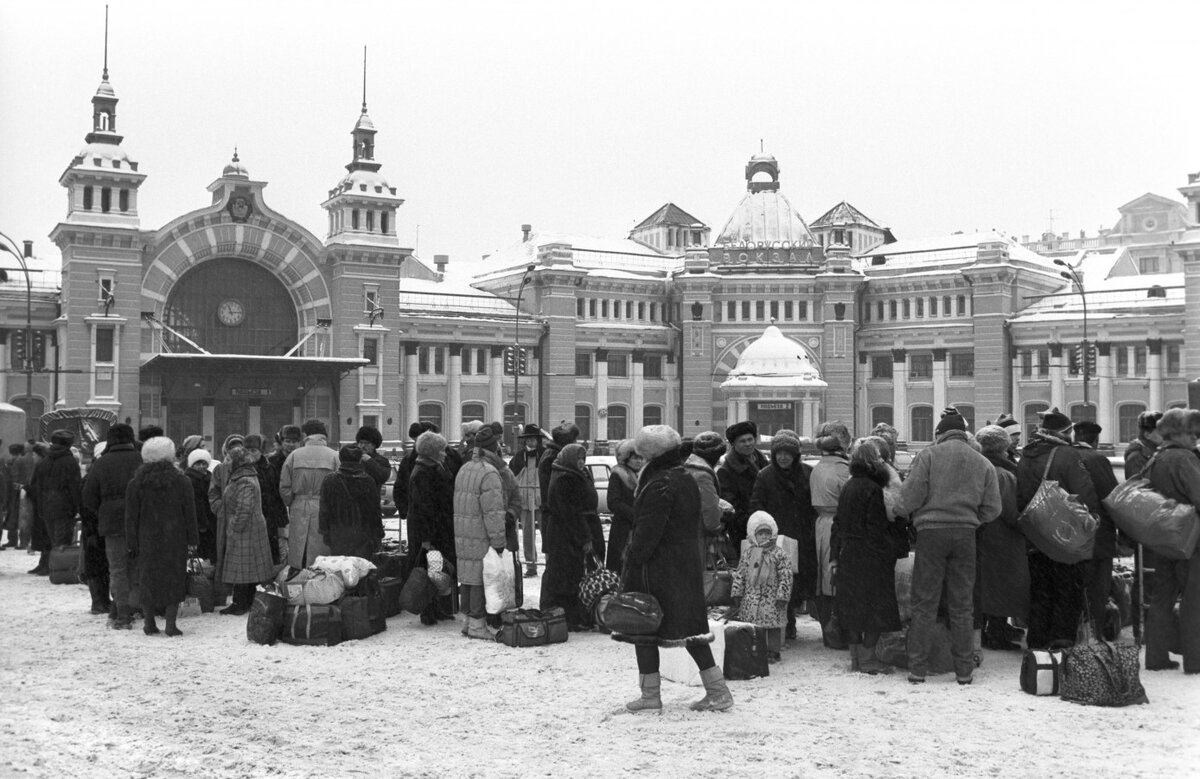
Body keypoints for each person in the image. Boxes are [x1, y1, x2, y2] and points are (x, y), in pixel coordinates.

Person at [615, 425, 731, 714]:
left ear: (650, 454)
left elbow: (647, 532)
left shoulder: (659, 483)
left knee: (644, 626)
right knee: (692, 631)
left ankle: (650, 695)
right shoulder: (683, 477)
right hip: (682, 565)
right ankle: (718, 690)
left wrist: (631, 558)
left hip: (656, 570)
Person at [897, 408, 1001, 685]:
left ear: (940, 434)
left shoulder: (928, 456)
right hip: (965, 535)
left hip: (931, 534)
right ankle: (964, 671)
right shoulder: (982, 462)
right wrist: (972, 520)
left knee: (924, 603)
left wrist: (903, 510)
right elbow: (993, 508)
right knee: (962, 605)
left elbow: (909, 498)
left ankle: (917, 668)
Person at [1015, 407, 1100, 650]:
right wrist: (1092, 520)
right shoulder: (1067, 455)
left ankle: (1037, 644)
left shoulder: (1026, 455)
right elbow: (1084, 494)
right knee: (1066, 592)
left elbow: (1019, 496)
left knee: (1040, 591)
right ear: (1065, 432)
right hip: (1064, 535)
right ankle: (1061, 644)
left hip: (1035, 534)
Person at [832, 439, 902, 674]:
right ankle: (868, 658)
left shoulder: (849, 486)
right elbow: (876, 528)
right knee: (876, 609)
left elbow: (839, 522)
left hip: (849, 553)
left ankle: (855, 658)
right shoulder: (873, 488)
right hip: (871, 556)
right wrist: (889, 549)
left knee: (852, 608)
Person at [1142, 408, 1200, 673]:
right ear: (1177, 433)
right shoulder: (1184, 458)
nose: (1195, 438)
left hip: (1164, 538)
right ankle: (1195, 659)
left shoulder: (1156, 458)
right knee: (1194, 600)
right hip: (1191, 538)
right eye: (1191, 433)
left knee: (1161, 599)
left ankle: (1156, 656)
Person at [124, 437, 197, 636]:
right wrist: (193, 540)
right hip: (175, 538)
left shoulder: (136, 483)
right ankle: (171, 625)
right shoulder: (181, 481)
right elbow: (189, 513)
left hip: (146, 539)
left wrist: (131, 542)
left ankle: (149, 623)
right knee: (174, 579)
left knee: (147, 578)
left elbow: (131, 517)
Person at [749, 430, 815, 641]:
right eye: (779, 453)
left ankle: (791, 617)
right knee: (777, 581)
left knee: (797, 580)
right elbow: (757, 505)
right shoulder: (765, 475)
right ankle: (784, 623)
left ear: (795, 454)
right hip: (776, 539)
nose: (783, 457)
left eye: (788, 453)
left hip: (802, 536)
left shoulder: (807, 473)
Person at [973, 425, 1028, 651]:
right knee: (1000, 585)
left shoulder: (978, 466)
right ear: (1002, 447)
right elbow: (1011, 511)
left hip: (984, 534)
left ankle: (989, 628)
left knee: (985, 584)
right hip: (1001, 537)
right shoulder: (1003, 474)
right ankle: (996, 631)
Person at [81, 423, 142, 627]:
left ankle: (122, 614)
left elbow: (88, 497)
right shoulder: (141, 460)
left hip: (112, 524)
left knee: (117, 569)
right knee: (135, 567)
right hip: (140, 521)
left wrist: (104, 510)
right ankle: (135, 607)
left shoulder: (102, 462)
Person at [453, 427, 508, 640]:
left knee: (467, 577)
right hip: (481, 533)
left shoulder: (465, 468)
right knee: (478, 578)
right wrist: (498, 540)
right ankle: (477, 624)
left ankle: (467, 621)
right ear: (494, 447)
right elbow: (493, 512)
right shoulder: (489, 473)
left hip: (464, 531)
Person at [542, 443, 601, 629]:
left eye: (583, 458)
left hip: (573, 531)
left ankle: (575, 616)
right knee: (566, 575)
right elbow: (569, 513)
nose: (582, 462)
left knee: (574, 574)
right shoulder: (564, 479)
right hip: (565, 535)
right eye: (578, 459)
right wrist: (584, 537)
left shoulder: (576, 474)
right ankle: (567, 617)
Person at [1073, 420, 1120, 641]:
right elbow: (1112, 499)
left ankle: (1075, 633)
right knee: (1097, 590)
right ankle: (1095, 635)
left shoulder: (1061, 456)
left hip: (1069, 534)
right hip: (1098, 535)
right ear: (1096, 440)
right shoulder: (1097, 459)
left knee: (1075, 587)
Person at [215, 444, 275, 616]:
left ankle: (240, 603)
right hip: (249, 527)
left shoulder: (244, 480)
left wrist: (234, 527)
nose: (225, 462)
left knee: (242, 567)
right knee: (247, 567)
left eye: (228, 459)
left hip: (246, 529)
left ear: (236, 462)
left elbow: (244, 508)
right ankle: (245, 601)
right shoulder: (243, 476)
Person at [407, 430, 457, 626]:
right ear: (432, 452)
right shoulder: (424, 472)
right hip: (430, 531)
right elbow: (423, 508)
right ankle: (428, 610)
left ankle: (438, 607)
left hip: (438, 528)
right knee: (431, 570)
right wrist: (426, 538)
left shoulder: (432, 467)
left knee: (438, 570)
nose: (445, 454)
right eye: (442, 450)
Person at [810, 420, 852, 646]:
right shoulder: (843, 470)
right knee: (835, 577)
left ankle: (827, 629)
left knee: (823, 577)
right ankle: (839, 631)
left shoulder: (818, 467)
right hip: (838, 525)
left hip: (820, 524)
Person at [732, 511, 793, 663]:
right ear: (754, 535)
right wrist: (737, 592)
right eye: (761, 534)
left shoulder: (779, 554)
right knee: (755, 627)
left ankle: (773, 651)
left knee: (773, 627)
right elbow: (740, 573)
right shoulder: (748, 554)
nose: (765, 537)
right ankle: (757, 649)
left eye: (768, 533)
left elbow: (786, 575)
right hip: (751, 598)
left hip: (772, 598)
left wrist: (782, 595)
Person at [279, 419, 339, 569]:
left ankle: (298, 578)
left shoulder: (294, 455)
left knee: (299, 547)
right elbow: (339, 487)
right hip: (324, 507)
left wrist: (293, 502)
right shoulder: (334, 456)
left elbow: (284, 486)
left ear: (306, 435)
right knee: (321, 549)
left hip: (299, 505)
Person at [26, 429, 82, 576]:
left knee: (52, 538)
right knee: (62, 541)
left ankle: (52, 566)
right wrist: (78, 506)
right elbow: (75, 487)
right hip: (65, 507)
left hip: (46, 506)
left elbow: (38, 486)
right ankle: (60, 570)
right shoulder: (70, 462)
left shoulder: (45, 461)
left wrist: (41, 506)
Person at [319, 444, 384, 559]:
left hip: (338, 532)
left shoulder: (329, 480)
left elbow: (324, 509)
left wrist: (325, 531)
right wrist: (378, 534)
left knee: (341, 568)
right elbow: (375, 510)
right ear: (360, 460)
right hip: (363, 533)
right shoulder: (368, 481)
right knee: (361, 569)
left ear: (340, 459)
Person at [717, 420, 767, 560]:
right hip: (745, 531)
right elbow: (731, 506)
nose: (748, 443)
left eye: (750, 439)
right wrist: (751, 524)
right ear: (733, 445)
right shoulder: (726, 471)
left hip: (769, 527)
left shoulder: (764, 462)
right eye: (742, 441)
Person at [508, 424, 546, 578]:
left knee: (547, 535)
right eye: (528, 439)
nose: (531, 442)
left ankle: (550, 564)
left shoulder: (544, 455)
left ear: (538, 440)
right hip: (525, 500)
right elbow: (511, 476)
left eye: (533, 439)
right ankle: (531, 565)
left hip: (541, 501)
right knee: (528, 536)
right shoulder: (519, 457)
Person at [606, 439, 642, 574]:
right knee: (620, 567)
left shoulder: (643, 475)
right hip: (622, 529)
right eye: (635, 458)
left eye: (640, 458)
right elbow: (613, 502)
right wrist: (634, 515)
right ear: (626, 459)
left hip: (639, 528)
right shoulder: (618, 475)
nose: (638, 461)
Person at [393, 421, 438, 526]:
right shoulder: (408, 460)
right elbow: (400, 487)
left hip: (437, 516)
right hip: (415, 515)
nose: (417, 443)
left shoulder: (444, 459)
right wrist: (404, 509)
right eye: (415, 440)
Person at [184, 449, 218, 562]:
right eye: (198, 463)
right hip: (200, 523)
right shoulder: (190, 480)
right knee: (202, 553)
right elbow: (197, 504)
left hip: (210, 520)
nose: (202, 466)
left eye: (204, 463)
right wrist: (202, 523)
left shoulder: (209, 478)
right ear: (192, 465)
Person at [538, 421, 580, 506]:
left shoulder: (552, 454)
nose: (576, 442)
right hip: (558, 512)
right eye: (575, 439)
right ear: (568, 441)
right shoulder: (554, 458)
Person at [1124, 410, 1163, 480]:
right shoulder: (1136, 458)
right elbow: (1137, 486)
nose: (1166, 435)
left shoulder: (1156, 451)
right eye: (1161, 431)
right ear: (1147, 435)